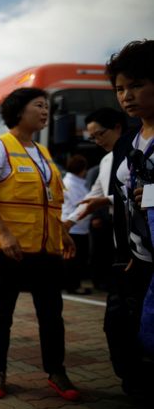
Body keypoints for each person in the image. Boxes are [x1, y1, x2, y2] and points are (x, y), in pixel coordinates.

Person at [0, 87, 79, 401]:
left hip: (47, 250)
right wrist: (4, 233)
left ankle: (57, 372)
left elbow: (49, 201)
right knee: (1, 314)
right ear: (19, 111)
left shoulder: (44, 153)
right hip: (9, 249)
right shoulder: (0, 146)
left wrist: (63, 234)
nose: (45, 111)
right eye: (39, 105)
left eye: (47, 106)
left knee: (52, 314)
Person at [105, 39, 154, 397]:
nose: (127, 96)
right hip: (137, 257)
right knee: (120, 327)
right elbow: (120, 200)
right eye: (120, 88)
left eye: (136, 85)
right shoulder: (128, 141)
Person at [64, 108, 127, 291]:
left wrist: (107, 201)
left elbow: (140, 193)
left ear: (117, 128)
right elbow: (93, 196)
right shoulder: (107, 160)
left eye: (100, 134)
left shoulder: (135, 152)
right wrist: (69, 222)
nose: (97, 141)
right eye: (92, 137)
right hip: (117, 230)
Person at [61, 155, 91, 294]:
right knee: (74, 259)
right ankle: (72, 285)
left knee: (74, 258)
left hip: (79, 226)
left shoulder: (76, 182)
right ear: (82, 169)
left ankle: (70, 284)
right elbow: (80, 203)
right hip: (73, 227)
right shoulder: (70, 183)